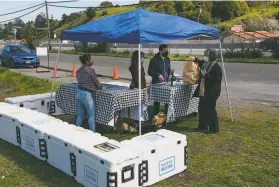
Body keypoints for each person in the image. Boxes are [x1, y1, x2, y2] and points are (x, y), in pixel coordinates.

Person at [193, 49, 223, 133]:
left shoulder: (216, 67)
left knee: (210, 110)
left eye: (207, 55)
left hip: (211, 92)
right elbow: (201, 62)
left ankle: (214, 129)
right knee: (202, 109)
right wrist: (195, 59)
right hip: (204, 91)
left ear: (212, 56)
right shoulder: (207, 64)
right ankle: (202, 126)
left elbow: (216, 80)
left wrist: (206, 75)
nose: (205, 57)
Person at [76, 54, 102, 132]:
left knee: (80, 115)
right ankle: (93, 133)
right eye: (91, 60)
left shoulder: (79, 70)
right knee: (91, 116)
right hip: (86, 94)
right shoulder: (90, 70)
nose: (92, 61)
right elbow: (96, 82)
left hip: (78, 92)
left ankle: (76, 130)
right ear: (87, 62)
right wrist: (101, 87)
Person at [148, 44, 172, 116]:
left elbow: (169, 69)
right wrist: (158, 75)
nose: (166, 52)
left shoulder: (167, 59)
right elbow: (149, 71)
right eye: (165, 50)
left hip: (166, 83)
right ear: (160, 51)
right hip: (157, 84)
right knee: (157, 101)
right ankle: (156, 115)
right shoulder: (154, 60)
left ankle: (166, 115)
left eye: (167, 50)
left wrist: (170, 74)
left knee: (167, 99)